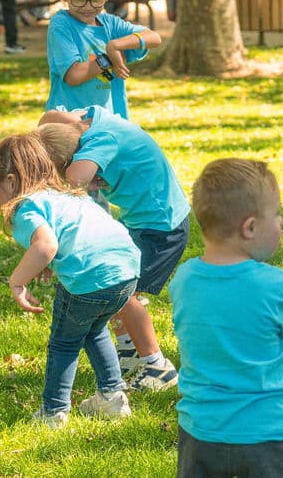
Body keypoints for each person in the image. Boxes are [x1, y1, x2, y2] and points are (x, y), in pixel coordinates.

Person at [0, 133, 140, 428]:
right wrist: (47, 262)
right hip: (126, 271)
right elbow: (67, 237)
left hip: (90, 278)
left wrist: (17, 282)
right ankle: (112, 398)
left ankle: (53, 411)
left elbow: (46, 245)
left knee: (64, 342)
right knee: (94, 329)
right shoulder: (65, 195)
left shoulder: (25, 208)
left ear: (11, 181)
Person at [36, 106, 191, 392]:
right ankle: (130, 352)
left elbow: (75, 179)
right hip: (144, 220)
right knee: (115, 285)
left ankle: (158, 366)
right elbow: (47, 119)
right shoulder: (87, 119)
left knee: (123, 292)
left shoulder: (101, 138)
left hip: (162, 226)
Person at [171, 158, 283, 478]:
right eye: (276, 215)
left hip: (200, 430)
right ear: (250, 227)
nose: (281, 222)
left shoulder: (184, 279)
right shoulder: (275, 283)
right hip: (266, 433)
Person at [45, 0, 161, 118]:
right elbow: (74, 75)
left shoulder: (110, 24)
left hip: (110, 121)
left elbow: (154, 37)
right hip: (70, 124)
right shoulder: (61, 24)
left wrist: (115, 45)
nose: (87, 7)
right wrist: (108, 59)